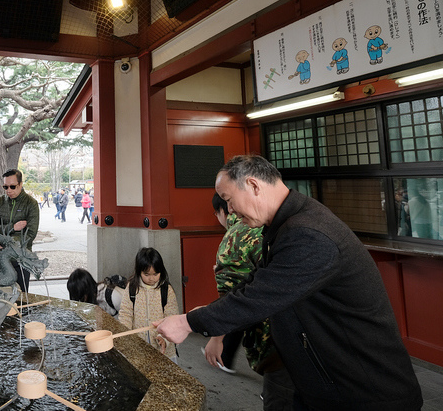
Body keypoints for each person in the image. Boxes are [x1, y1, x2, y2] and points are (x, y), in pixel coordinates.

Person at [154, 155, 423, 411]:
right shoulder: (285, 225)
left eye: (229, 199)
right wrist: (203, 314)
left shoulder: (308, 234)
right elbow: (252, 285)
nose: (230, 210)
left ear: (253, 185)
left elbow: (259, 297)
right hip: (325, 378)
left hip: (364, 388)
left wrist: (187, 323)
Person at [207, 193, 294, 409]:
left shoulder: (235, 236)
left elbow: (231, 296)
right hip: (304, 330)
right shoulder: (273, 223)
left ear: (222, 211)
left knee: (281, 396)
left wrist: (217, 338)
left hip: (275, 337)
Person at [119, 247, 179, 361]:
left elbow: (172, 318)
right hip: (138, 348)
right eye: (147, 274)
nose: (151, 278)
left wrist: (164, 339)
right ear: (139, 272)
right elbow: (125, 314)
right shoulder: (132, 287)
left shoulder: (166, 290)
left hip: (163, 351)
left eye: (155, 274)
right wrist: (126, 336)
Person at [0, 168, 40, 292]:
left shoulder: (31, 203)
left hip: (21, 259)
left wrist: (4, 242)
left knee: (21, 297)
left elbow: (30, 234)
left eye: (12, 186)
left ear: (20, 184)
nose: (9, 191)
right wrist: (13, 227)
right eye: (5, 187)